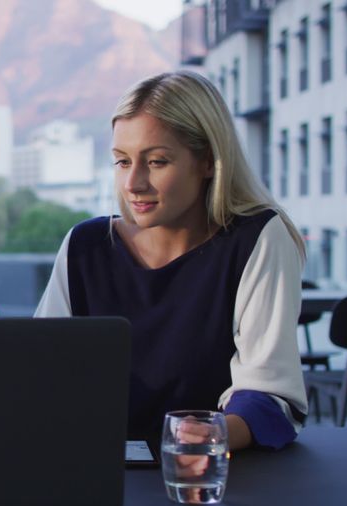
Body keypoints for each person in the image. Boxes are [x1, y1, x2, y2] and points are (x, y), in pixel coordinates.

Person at [35, 70, 308, 450]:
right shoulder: (86, 246)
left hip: (209, 477)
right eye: (122, 162)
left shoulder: (258, 239)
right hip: (94, 467)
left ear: (208, 161)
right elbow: (41, 369)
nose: (133, 184)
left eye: (157, 161)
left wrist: (214, 435)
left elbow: (268, 392)